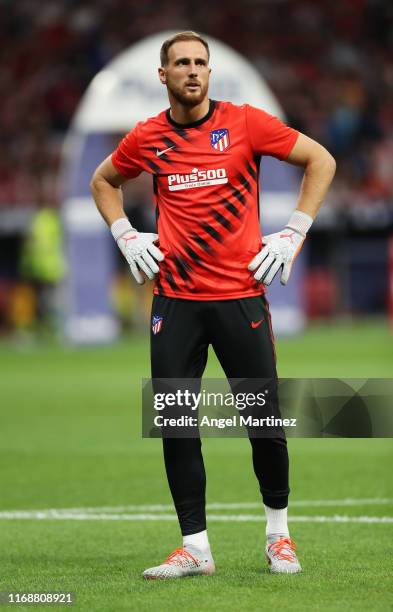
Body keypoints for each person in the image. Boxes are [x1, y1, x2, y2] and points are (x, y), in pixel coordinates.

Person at [90, 31, 336, 579]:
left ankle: (279, 536)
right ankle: (195, 548)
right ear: (163, 75)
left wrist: (294, 231)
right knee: (176, 425)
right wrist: (125, 233)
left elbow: (320, 160)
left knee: (264, 422)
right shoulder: (148, 136)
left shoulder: (246, 122)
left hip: (240, 298)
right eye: (181, 63)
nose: (193, 71)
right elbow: (103, 180)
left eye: (201, 62)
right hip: (174, 303)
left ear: (210, 72)